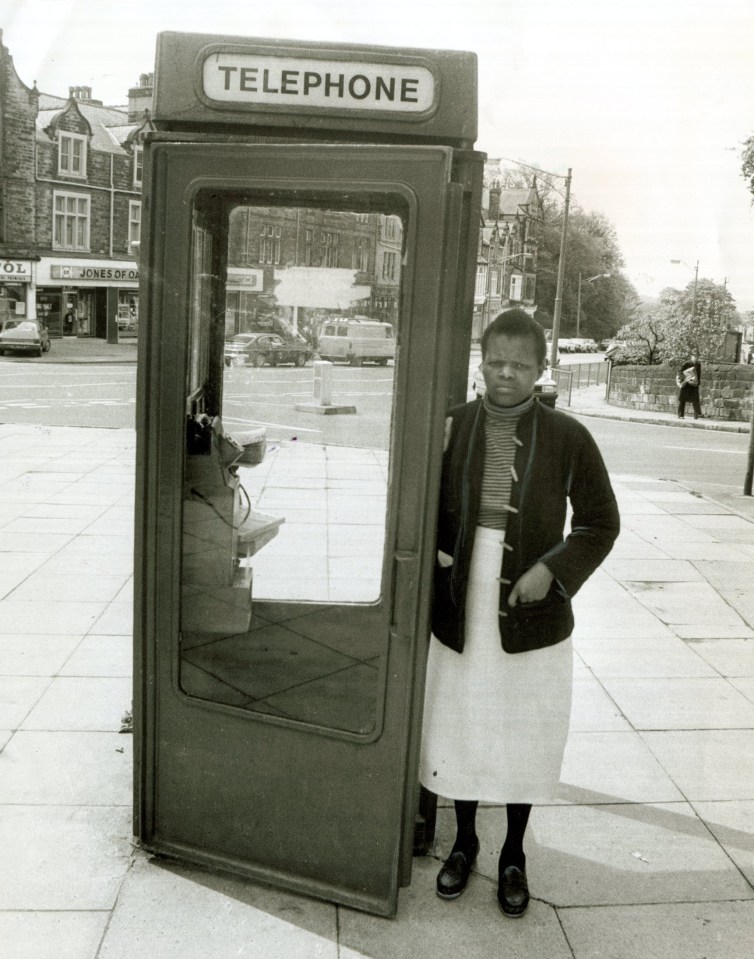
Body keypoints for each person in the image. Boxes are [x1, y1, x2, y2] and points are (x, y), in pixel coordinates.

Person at [420, 309, 619, 918]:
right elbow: (419, 506)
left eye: (520, 365)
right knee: (462, 725)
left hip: (531, 613)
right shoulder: (451, 425)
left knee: (524, 734)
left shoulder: (568, 436)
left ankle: (513, 853)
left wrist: (551, 572)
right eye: (496, 362)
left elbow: (599, 522)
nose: (506, 375)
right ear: (480, 361)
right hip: (460, 604)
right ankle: (464, 843)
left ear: (540, 369)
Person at [676, 352, 702, 419]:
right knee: (682, 400)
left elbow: (698, 375)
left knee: (695, 399)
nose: (696, 358)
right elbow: (680, 373)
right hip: (686, 384)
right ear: (691, 356)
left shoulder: (698, 365)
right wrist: (687, 378)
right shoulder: (686, 363)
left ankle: (697, 415)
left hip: (694, 385)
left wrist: (697, 383)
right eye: (694, 356)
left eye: (697, 356)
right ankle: (680, 415)